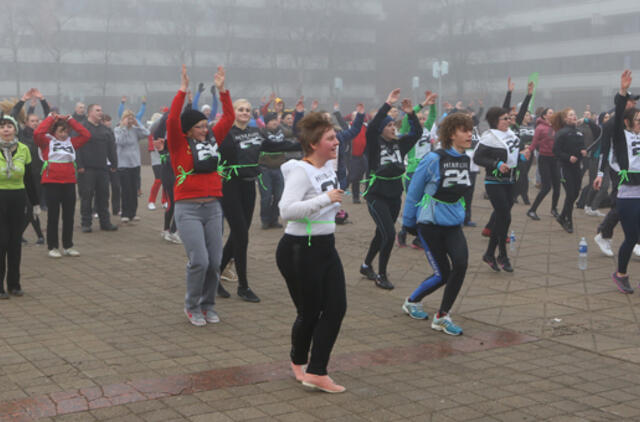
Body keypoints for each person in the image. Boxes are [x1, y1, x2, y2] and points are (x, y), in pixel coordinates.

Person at [277, 111, 347, 393]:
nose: (336, 142)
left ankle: (316, 370)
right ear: (314, 144)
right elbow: (286, 211)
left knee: (336, 307)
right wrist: (324, 200)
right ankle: (300, 362)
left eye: (335, 136)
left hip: (325, 246)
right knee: (310, 312)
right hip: (299, 250)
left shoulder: (328, 164)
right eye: (330, 138)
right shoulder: (300, 171)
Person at [166, 64, 234, 326]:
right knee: (200, 261)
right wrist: (182, 90)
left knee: (215, 262)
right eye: (199, 127)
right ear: (188, 130)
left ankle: (208, 305)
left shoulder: (212, 141)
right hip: (188, 209)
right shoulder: (178, 145)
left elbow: (227, 118)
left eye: (206, 126)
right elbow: (172, 120)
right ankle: (191, 305)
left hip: (213, 208)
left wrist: (222, 90)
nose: (205, 130)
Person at [401, 113, 474, 335]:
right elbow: (414, 191)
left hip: (453, 224)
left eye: (470, 130)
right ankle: (412, 301)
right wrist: (408, 222)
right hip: (430, 225)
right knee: (443, 273)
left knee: (460, 264)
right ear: (452, 134)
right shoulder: (433, 159)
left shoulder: (465, 159)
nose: (470, 134)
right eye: (464, 130)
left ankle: (442, 316)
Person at [360, 89, 421, 289]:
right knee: (388, 234)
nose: (393, 127)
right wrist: (387, 104)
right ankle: (381, 275)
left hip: (395, 196)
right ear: (381, 129)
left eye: (394, 124)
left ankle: (366, 265)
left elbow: (417, 133)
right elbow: (372, 127)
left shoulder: (400, 144)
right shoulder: (374, 143)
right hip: (376, 196)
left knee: (381, 233)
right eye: (389, 125)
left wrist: (411, 114)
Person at [474, 106, 531, 272]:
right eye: (505, 119)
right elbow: (478, 157)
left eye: (508, 118)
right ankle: (502, 255)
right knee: (505, 217)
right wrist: (496, 164)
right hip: (494, 182)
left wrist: (522, 155)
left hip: (511, 180)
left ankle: (490, 253)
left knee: (501, 218)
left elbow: (514, 153)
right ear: (495, 121)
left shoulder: (510, 133)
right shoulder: (489, 137)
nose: (508, 121)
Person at [34, 113, 91, 258]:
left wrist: (70, 120)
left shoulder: (72, 142)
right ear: (53, 132)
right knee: (53, 216)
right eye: (61, 131)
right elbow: (37, 132)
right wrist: (51, 118)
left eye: (66, 131)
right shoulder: (46, 142)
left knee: (69, 216)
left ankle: (68, 245)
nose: (64, 134)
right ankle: (52, 246)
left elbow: (86, 135)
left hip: (69, 182)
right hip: (52, 182)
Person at [0, 113, 38, 298]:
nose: (6, 129)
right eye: (2, 126)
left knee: (15, 243)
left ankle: (14, 285)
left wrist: (36, 203)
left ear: (15, 129)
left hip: (18, 197)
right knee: (1, 242)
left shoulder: (24, 148)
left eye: (9, 125)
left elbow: (30, 179)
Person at [609, 70, 640, 294]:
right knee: (631, 238)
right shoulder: (621, 136)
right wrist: (622, 92)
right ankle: (621, 274)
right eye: (639, 120)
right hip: (628, 195)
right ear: (629, 122)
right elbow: (619, 111)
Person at [77, 104, 118, 232]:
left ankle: (105, 222)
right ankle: (86, 223)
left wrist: (114, 163)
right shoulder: (82, 128)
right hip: (87, 169)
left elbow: (112, 148)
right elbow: (76, 147)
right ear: (90, 113)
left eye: (101, 110)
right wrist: (79, 165)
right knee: (87, 196)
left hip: (102, 169)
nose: (101, 113)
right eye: (97, 110)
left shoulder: (105, 130)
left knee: (103, 196)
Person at [257, 112, 301, 229]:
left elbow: (295, 131)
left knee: (279, 196)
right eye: (272, 120)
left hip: (279, 168)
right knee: (266, 196)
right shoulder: (261, 133)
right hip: (264, 169)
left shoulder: (283, 133)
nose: (275, 122)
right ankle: (265, 220)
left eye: (276, 120)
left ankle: (274, 219)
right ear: (266, 122)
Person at [552, 108, 586, 233]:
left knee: (575, 194)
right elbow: (556, 151)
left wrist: (583, 151)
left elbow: (581, 147)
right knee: (570, 194)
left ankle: (561, 216)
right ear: (566, 119)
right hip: (564, 167)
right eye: (571, 115)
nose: (574, 116)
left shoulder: (579, 132)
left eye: (575, 114)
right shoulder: (561, 133)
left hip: (576, 168)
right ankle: (568, 220)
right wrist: (568, 157)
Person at [114, 110, 150, 223]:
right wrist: (124, 128)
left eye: (131, 118)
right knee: (126, 190)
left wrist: (137, 123)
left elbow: (147, 133)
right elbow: (120, 142)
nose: (129, 121)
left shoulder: (135, 130)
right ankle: (125, 213)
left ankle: (133, 213)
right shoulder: (117, 130)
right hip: (123, 164)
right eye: (128, 118)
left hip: (135, 164)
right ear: (123, 119)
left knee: (134, 189)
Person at [526, 108, 560, 220]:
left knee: (557, 186)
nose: (552, 114)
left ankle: (554, 209)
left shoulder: (556, 126)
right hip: (544, 159)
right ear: (544, 116)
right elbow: (534, 143)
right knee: (546, 187)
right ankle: (532, 210)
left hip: (555, 159)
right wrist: (528, 151)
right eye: (550, 113)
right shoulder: (540, 128)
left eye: (553, 112)